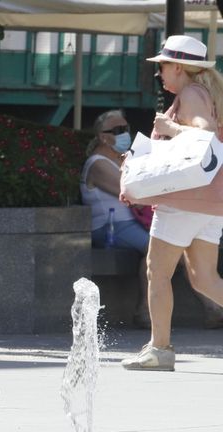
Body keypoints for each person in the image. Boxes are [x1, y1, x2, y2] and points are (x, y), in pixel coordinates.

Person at [120, 35, 223, 371]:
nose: (159, 73)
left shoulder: (191, 94)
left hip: (184, 201)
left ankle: (159, 349)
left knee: (157, 272)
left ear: (179, 67)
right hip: (211, 201)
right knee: (205, 279)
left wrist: (168, 127)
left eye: (162, 66)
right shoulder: (208, 92)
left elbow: (203, 134)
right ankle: (158, 348)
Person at [81, 109, 152, 327]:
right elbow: (133, 193)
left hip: (129, 224)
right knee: (158, 249)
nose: (125, 134)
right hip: (110, 226)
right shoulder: (97, 163)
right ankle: (144, 311)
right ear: (103, 136)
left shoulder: (120, 160)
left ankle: (212, 308)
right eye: (119, 130)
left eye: (126, 129)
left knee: (175, 246)